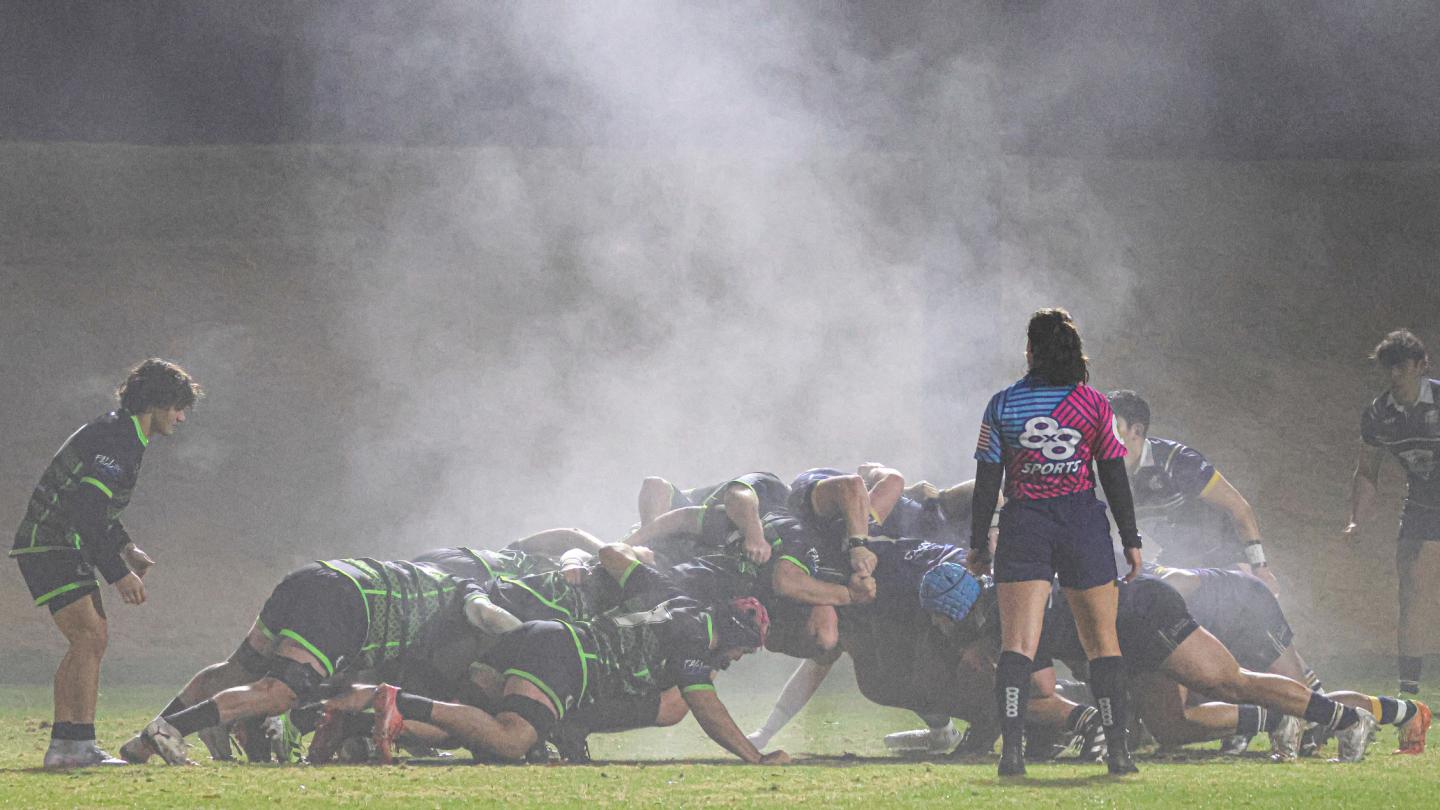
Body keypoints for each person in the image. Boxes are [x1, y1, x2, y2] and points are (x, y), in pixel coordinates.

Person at [966, 308, 1143, 776]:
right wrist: (1131, 538)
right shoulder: (1093, 404)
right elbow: (1112, 475)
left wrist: (977, 542)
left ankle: (1012, 754)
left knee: (1017, 645)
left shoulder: (1003, 404)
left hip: (1025, 523)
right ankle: (1119, 754)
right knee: (1103, 643)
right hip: (1082, 522)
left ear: (1030, 351)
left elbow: (988, 481)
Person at [10, 358, 201, 768]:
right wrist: (119, 574)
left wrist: (126, 547)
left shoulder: (121, 432)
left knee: (86, 639)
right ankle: (74, 747)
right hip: (53, 543)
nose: (182, 417)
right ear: (155, 402)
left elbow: (98, 509)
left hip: (52, 543)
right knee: (90, 637)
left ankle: (67, 744)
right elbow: (85, 512)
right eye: (177, 407)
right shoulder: (119, 438)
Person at [118, 558, 486, 765]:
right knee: (279, 692)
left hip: (313, 577)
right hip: (344, 600)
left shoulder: (439, 581)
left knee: (236, 670)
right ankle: (168, 730)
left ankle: (141, 743)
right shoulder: (454, 614)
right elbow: (362, 688)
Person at [1344, 329, 1440, 695]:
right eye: (1389, 368)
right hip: (1422, 502)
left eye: (1401, 367)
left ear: (1421, 365)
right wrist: (1357, 519)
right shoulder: (1378, 413)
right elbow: (1368, 470)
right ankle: (1409, 691)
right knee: (1411, 589)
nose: (1394, 375)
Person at [1106, 390, 1279, 591]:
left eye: (1109, 426)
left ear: (1135, 430)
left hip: (1225, 563)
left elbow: (1239, 508)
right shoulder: (1104, 477)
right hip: (1181, 565)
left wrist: (1260, 568)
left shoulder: (1177, 460)